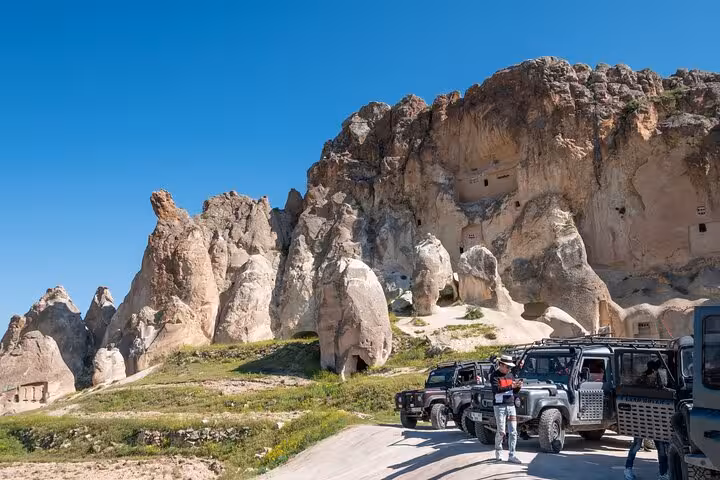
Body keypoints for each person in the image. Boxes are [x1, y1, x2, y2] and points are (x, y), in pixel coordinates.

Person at [624, 359, 669, 480]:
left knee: (640, 445)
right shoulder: (650, 379)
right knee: (654, 447)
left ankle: (662, 473)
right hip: (648, 418)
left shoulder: (651, 379)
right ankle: (663, 473)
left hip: (648, 418)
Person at [489, 354, 523, 464]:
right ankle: (498, 452)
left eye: (510, 367)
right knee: (501, 431)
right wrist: (512, 387)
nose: (509, 369)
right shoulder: (494, 376)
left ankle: (512, 455)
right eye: (507, 367)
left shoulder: (510, 375)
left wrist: (517, 387)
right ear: (501, 365)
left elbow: (513, 391)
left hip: (511, 405)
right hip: (499, 406)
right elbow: (497, 390)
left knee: (513, 431)